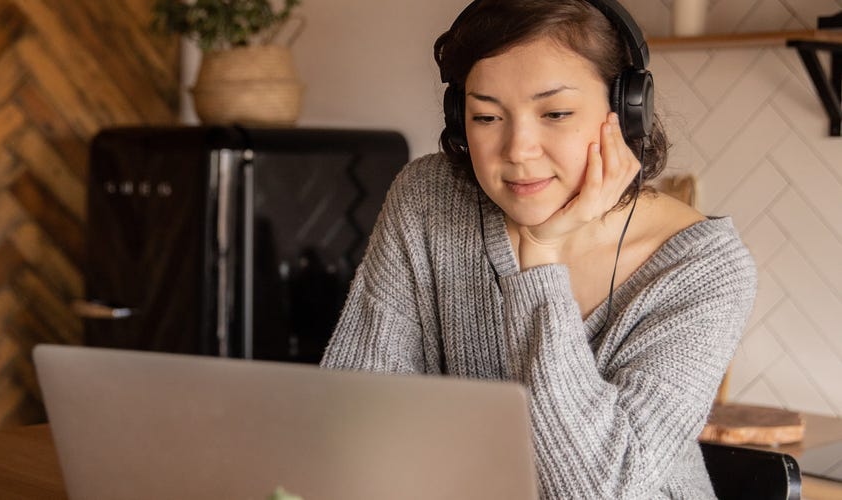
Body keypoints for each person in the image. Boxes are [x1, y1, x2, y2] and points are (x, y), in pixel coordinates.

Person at [321, 0, 757, 497]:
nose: (518, 150)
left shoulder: (704, 267)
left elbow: (598, 490)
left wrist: (541, 258)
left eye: (555, 113)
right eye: (486, 116)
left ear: (628, 111)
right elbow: (353, 421)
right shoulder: (429, 199)